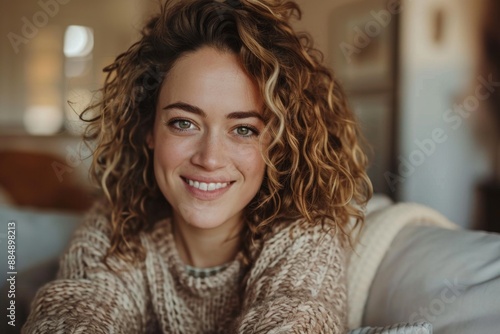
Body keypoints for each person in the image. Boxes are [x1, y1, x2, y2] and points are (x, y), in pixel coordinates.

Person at [23, 0, 372, 332]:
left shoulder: (305, 236)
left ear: (278, 144)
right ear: (148, 129)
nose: (210, 158)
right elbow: (80, 307)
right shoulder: (114, 228)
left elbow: (299, 312)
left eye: (244, 129)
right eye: (184, 123)